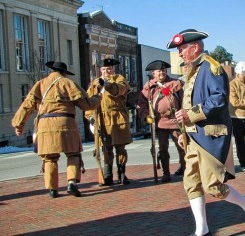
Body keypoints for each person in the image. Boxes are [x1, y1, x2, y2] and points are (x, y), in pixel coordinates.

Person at [167, 29, 245, 236]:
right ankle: (202, 231)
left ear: (195, 47)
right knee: (191, 183)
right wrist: (184, 134)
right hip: (193, 136)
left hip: (209, 136)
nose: (180, 54)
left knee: (213, 186)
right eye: (179, 50)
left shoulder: (211, 67)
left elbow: (218, 100)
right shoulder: (193, 69)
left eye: (183, 49)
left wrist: (190, 115)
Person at [12, 61, 101, 198]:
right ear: (64, 72)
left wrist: (19, 125)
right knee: (73, 154)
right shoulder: (68, 83)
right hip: (66, 124)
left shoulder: (40, 84)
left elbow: (27, 105)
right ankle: (72, 183)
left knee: (49, 158)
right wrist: (97, 97)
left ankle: (53, 189)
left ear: (52, 71)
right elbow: (87, 105)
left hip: (45, 125)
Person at [85, 58, 132, 186]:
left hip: (118, 117)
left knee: (120, 148)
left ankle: (122, 174)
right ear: (100, 70)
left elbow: (120, 90)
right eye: (104, 69)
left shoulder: (118, 79)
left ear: (113, 69)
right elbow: (89, 103)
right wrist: (90, 117)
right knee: (106, 149)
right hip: (101, 118)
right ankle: (108, 175)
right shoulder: (94, 84)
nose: (107, 71)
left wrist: (106, 84)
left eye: (109, 69)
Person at [137, 60, 185, 181]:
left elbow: (184, 100)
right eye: (159, 71)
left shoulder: (175, 84)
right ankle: (166, 173)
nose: (162, 73)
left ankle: (186, 169)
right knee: (163, 149)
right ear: (153, 73)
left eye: (163, 71)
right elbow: (142, 105)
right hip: (160, 122)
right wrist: (146, 116)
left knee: (182, 146)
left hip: (175, 120)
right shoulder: (149, 87)